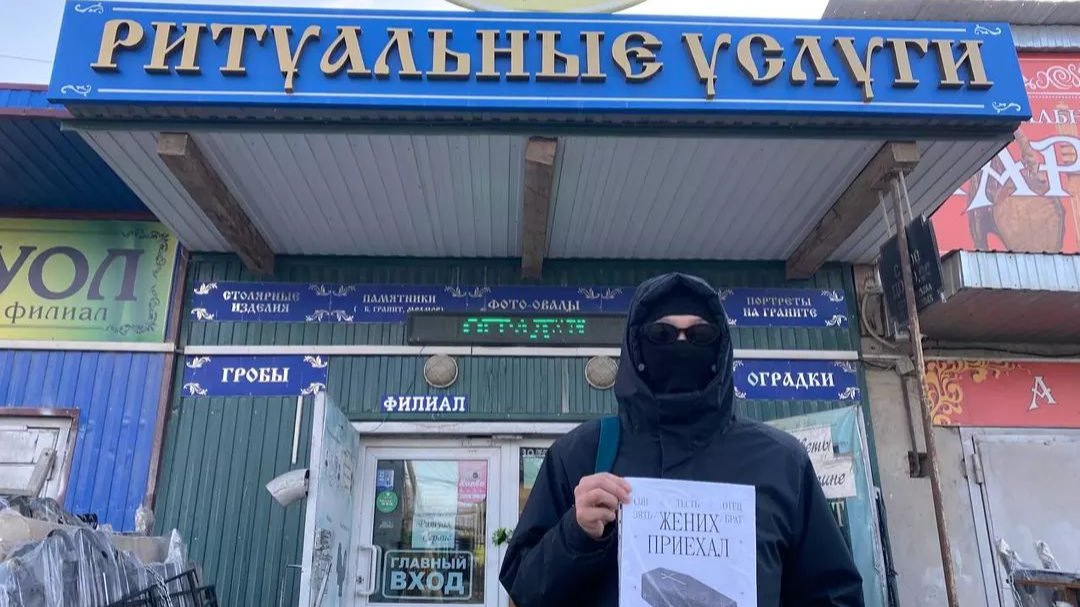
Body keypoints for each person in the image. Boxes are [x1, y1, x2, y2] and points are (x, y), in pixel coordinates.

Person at [499, 272, 864, 607]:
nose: (681, 344)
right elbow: (523, 592)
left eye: (700, 335)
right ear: (636, 347)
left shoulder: (781, 461)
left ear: (719, 349)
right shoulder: (581, 453)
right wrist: (575, 534)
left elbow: (835, 595)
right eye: (661, 334)